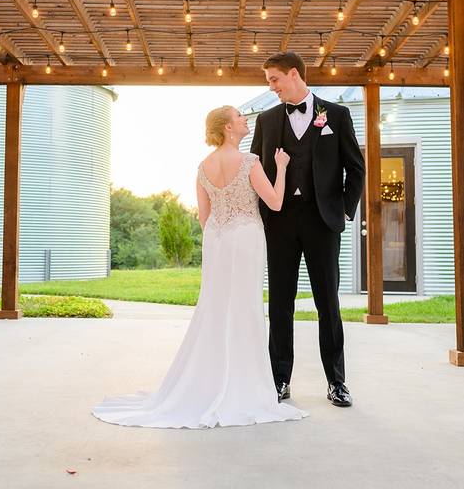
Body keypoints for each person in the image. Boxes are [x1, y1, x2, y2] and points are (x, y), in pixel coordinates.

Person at [91, 105, 308, 428]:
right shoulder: (250, 161)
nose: (244, 119)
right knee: (245, 309)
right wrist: (281, 167)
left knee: (215, 308)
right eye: (238, 117)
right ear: (227, 128)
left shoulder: (203, 167)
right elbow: (275, 202)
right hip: (246, 237)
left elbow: (204, 217)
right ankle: (245, 387)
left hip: (217, 240)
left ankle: (208, 382)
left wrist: (220, 234)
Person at [250, 51, 365, 407]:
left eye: (274, 80)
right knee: (280, 304)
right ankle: (279, 380)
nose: (271, 88)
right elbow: (255, 172)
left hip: (323, 222)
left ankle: (337, 382)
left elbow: (355, 168)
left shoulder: (337, 115)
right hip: (280, 223)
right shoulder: (267, 121)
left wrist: (344, 211)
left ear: (294, 74)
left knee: (327, 303)